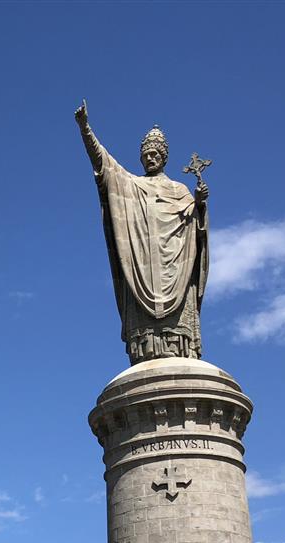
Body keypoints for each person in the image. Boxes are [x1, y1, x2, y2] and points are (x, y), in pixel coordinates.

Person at [75, 100, 209, 363]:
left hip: (176, 273)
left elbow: (197, 234)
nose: (150, 157)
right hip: (142, 269)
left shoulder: (180, 191)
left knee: (179, 320)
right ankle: (148, 348)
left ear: (164, 157)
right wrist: (85, 129)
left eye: (155, 154)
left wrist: (200, 204)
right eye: (146, 154)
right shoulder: (131, 185)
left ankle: (178, 345)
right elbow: (104, 164)